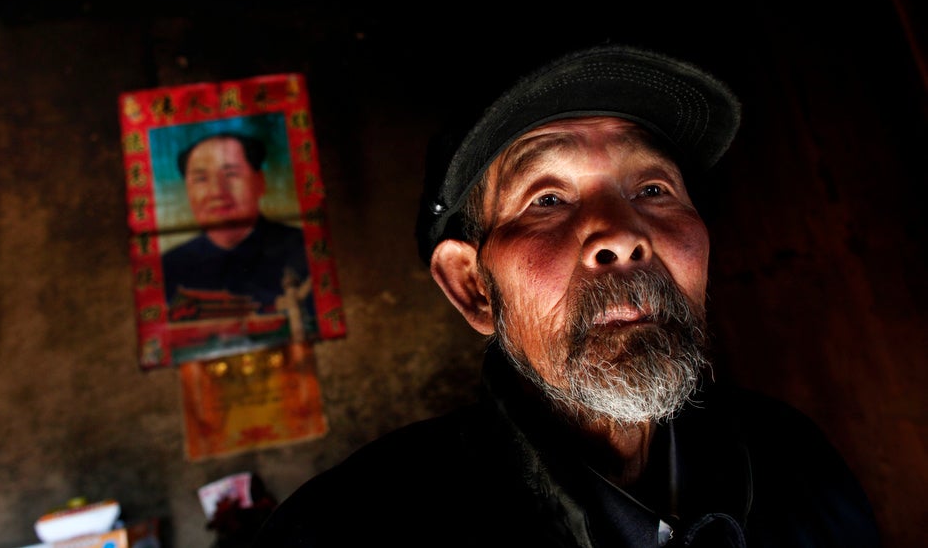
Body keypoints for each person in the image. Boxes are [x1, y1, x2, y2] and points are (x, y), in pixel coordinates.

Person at [258, 45, 880, 546]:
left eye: (655, 189)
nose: (623, 234)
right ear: (473, 288)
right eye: (547, 199)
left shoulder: (795, 460)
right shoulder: (347, 529)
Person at [161, 132, 312, 322]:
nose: (217, 191)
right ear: (187, 190)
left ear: (260, 182)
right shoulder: (167, 267)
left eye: (231, 174)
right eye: (201, 179)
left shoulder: (306, 247)